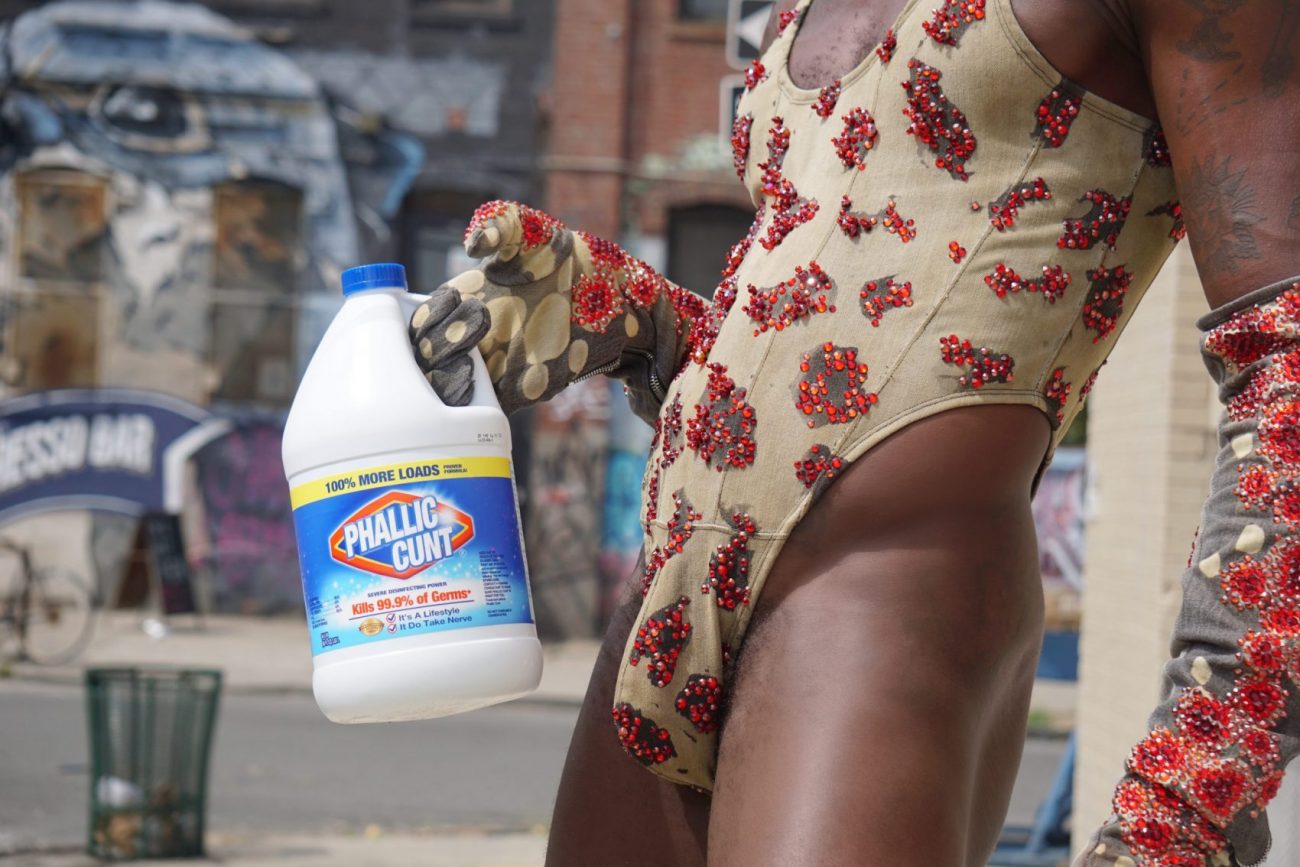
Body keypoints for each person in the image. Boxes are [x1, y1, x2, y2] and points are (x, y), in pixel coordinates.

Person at [408, 1, 1300, 864]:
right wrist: (637, 321)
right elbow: (841, 303)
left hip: (885, 604)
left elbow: (1288, 368)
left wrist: (1190, 804)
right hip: (671, 585)